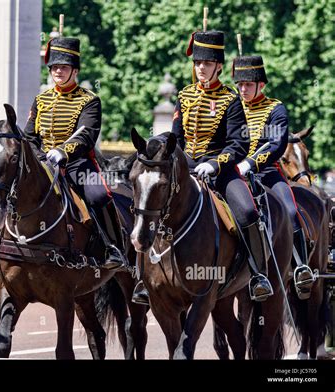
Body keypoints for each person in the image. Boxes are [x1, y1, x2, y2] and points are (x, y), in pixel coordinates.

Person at [135, 31, 274, 305]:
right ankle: (143, 277)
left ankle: (259, 274)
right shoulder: (184, 96)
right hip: (186, 168)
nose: (201, 68)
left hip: (221, 172)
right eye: (198, 63)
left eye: (207, 63)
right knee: (151, 204)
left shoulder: (231, 100)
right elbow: (176, 138)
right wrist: (157, 145)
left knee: (247, 211)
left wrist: (213, 164)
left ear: (219, 66)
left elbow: (238, 145)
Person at [23, 36, 126, 270]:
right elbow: (29, 137)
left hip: (77, 165)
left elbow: (87, 135)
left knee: (99, 196)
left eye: (64, 67)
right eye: (55, 67)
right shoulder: (41, 100)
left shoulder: (89, 100)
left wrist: (62, 152)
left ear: (75, 70)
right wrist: (40, 157)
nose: (58, 71)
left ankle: (113, 248)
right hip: (43, 165)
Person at [233, 55, 314, 299]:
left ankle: (301, 266)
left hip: (266, 172)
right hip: (233, 171)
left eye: (248, 84)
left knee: (289, 210)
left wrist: (251, 163)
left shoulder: (275, 108)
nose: (243, 89)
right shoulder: (232, 106)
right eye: (240, 85)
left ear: (261, 85)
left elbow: (277, 144)